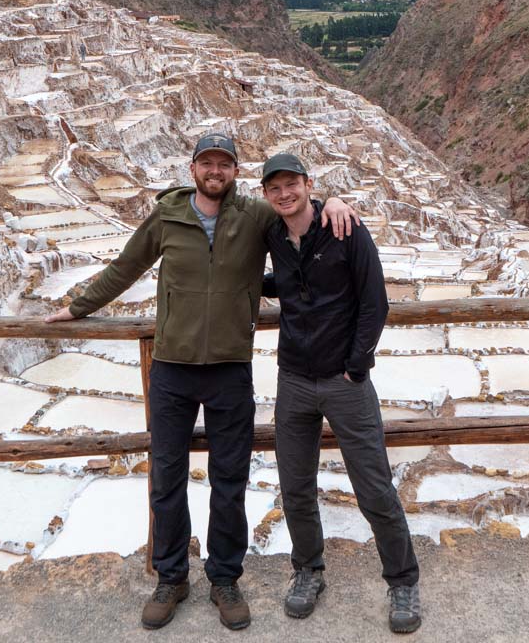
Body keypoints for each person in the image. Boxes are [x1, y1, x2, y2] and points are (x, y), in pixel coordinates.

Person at [45, 135, 358, 631]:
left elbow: (298, 208)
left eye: (224, 164)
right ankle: (171, 577)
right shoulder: (168, 216)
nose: (216, 171)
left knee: (228, 481)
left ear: (235, 171)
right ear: (193, 168)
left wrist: (334, 201)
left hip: (230, 369)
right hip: (171, 368)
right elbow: (126, 267)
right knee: (167, 478)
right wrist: (78, 307)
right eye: (207, 163)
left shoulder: (255, 216)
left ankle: (224, 577)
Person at [260, 153, 421, 634]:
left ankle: (403, 580)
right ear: (267, 196)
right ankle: (308, 572)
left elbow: (375, 301)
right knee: (295, 487)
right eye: (276, 188)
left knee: (373, 486)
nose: (285, 194)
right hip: (292, 378)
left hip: (344, 383)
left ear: (309, 185)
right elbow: (284, 280)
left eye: (292, 185)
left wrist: (357, 365)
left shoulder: (347, 228)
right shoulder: (272, 235)